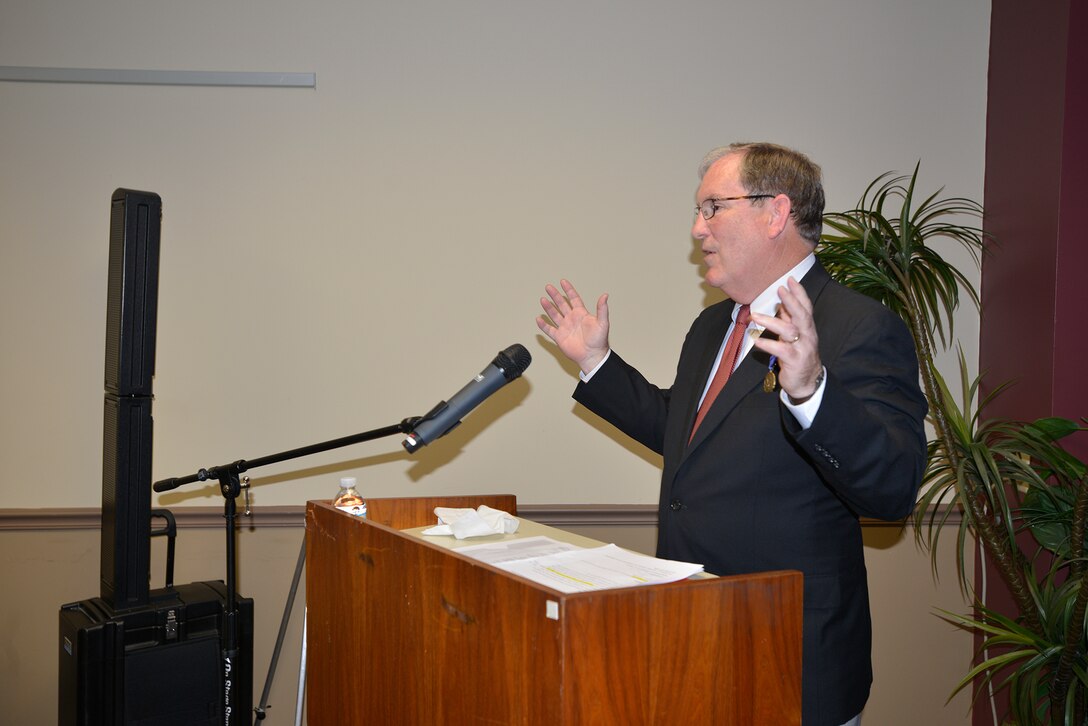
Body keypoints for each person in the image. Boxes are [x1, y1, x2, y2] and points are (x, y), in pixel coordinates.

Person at [536, 142, 927, 726]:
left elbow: (893, 487)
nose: (698, 229)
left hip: (789, 656)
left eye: (713, 207)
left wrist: (811, 389)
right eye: (699, 211)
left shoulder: (858, 326)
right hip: (694, 638)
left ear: (775, 213)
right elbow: (690, 438)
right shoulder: (713, 324)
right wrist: (598, 365)